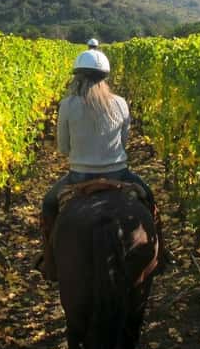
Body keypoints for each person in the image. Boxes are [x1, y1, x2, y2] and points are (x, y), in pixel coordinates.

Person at [36, 49, 164, 282]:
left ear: (78, 77)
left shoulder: (67, 104)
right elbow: (123, 143)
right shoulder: (121, 103)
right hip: (119, 174)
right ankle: (161, 255)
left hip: (78, 178)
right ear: (105, 77)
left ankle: (49, 262)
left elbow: (63, 148)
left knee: (48, 205)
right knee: (150, 199)